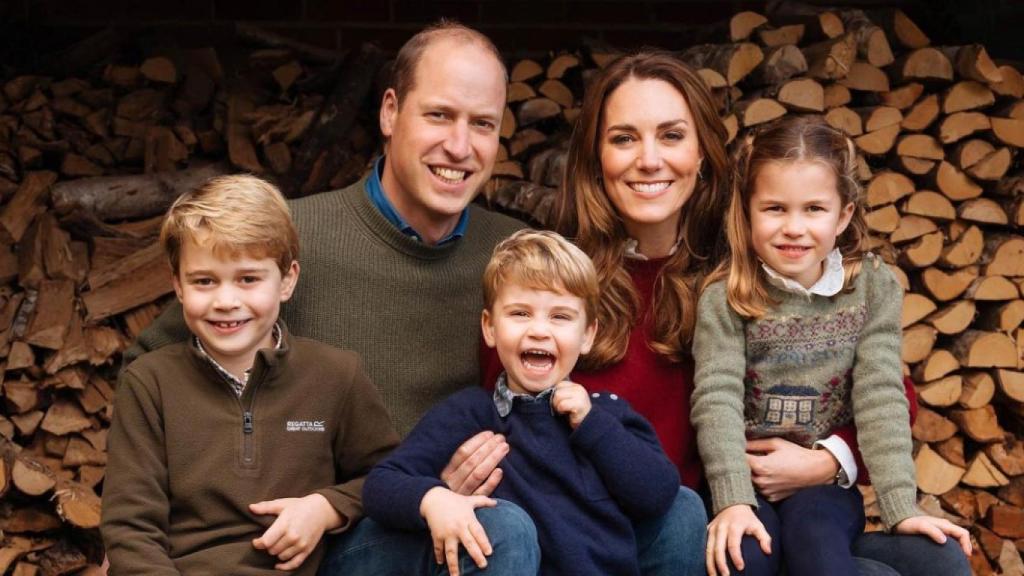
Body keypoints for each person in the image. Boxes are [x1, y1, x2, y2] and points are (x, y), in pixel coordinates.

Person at [691, 116, 972, 576]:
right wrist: (733, 499)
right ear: (746, 212)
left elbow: (881, 396)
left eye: (814, 209)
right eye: (775, 208)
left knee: (817, 545)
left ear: (843, 215)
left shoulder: (872, 289)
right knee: (745, 556)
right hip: (746, 481)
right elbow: (715, 398)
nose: (794, 228)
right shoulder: (727, 296)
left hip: (824, 490)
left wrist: (902, 507)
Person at [101, 175, 400, 575]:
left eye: (248, 279)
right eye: (204, 281)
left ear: (287, 280)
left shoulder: (337, 375)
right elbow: (130, 528)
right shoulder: (149, 384)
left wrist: (326, 507)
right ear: (178, 286)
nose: (226, 301)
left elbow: (388, 477)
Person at [364, 230, 681, 576]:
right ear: (490, 328)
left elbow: (659, 495)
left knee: (685, 505)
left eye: (560, 317)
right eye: (520, 314)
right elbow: (381, 484)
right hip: (510, 563)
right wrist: (434, 499)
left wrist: (593, 426)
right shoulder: (470, 413)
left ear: (588, 335)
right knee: (507, 525)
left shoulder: (606, 414)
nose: (539, 331)